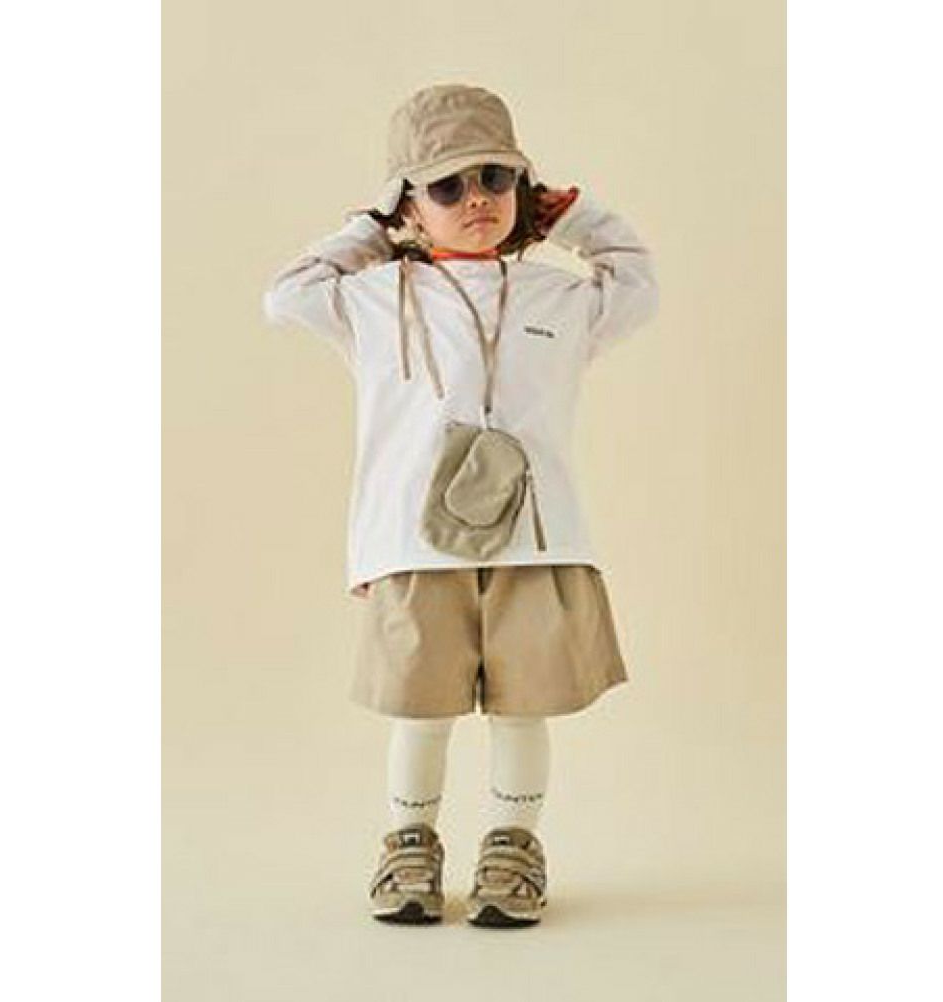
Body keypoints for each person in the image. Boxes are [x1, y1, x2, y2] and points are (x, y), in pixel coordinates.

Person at [262, 83, 659, 927]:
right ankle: (409, 849)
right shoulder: (373, 299)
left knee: (524, 707)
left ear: (523, 187)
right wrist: (373, 231)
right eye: (446, 185)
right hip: (414, 542)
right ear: (408, 202)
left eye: (495, 177)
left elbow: (637, 282)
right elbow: (287, 294)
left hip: (538, 541)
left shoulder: (558, 296)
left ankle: (513, 849)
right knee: (422, 710)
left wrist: (574, 219)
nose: (476, 197)